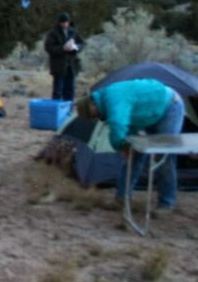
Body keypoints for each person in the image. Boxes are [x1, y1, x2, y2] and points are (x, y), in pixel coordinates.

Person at [75, 78, 185, 212]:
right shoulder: (107, 102)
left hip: (169, 106)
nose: (95, 118)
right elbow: (129, 120)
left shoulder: (112, 97)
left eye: (91, 115)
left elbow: (118, 123)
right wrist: (128, 145)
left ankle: (167, 204)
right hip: (147, 115)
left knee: (164, 157)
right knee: (134, 155)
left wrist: (121, 145)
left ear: (92, 104)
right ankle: (121, 199)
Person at [44, 12, 83, 101]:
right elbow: (48, 47)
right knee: (58, 90)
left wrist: (76, 47)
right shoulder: (53, 33)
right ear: (59, 22)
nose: (65, 24)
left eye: (67, 22)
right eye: (63, 22)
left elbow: (81, 43)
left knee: (70, 90)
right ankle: (56, 111)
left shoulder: (73, 32)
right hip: (59, 66)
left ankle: (68, 111)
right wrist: (63, 48)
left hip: (71, 65)